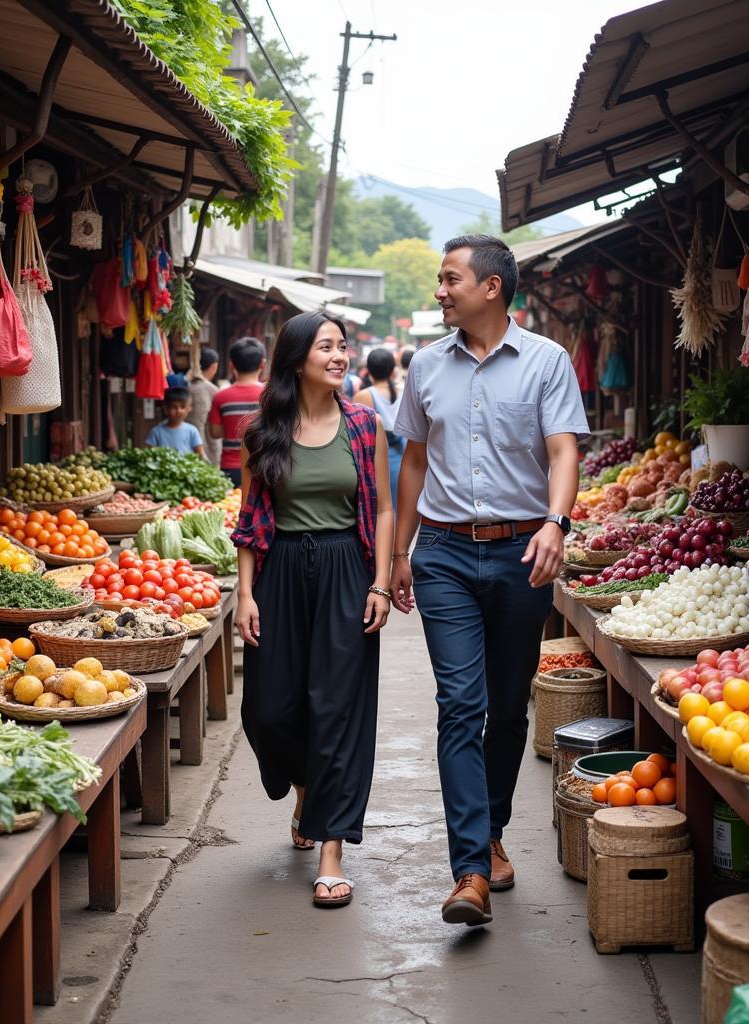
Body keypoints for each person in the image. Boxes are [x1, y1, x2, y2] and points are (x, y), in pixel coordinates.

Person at [391, 234, 588, 927]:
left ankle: (494, 831)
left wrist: (555, 524)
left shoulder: (546, 361)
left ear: (491, 288)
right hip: (444, 552)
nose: (440, 291)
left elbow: (564, 450)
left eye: (450, 280)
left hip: (520, 555)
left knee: (506, 709)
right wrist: (400, 552)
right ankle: (470, 869)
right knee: (458, 704)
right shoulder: (425, 366)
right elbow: (413, 461)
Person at [233, 310, 394, 910]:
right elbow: (250, 521)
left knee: (338, 710)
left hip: (345, 573)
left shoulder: (364, 425)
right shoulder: (263, 431)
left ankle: (331, 850)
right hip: (279, 575)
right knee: (269, 710)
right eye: (326, 346)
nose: (339, 355)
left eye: (343, 346)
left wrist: (379, 582)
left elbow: (379, 508)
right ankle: (305, 789)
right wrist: (245, 594)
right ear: (297, 358)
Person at [208, 336, 266, 488]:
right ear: (263, 364)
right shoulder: (270, 395)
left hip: (231, 467)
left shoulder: (220, 396)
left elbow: (215, 432)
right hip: (265, 464)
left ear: (231, 365)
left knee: (231, 507)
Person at [355, 348, 404, 512]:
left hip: (376, 460)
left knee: (379, 511)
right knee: (397, 510)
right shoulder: (403, 392)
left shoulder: (364, 396)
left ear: (369, 371)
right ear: (392, 370)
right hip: (403, 457)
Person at [145, 387, 205, 457]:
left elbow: (200, 454)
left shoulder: (192, 431)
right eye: (174, 407)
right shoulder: (156, 432)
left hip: (187, 467)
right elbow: (149, 454)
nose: (178, 411)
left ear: (189, 408)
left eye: (182, 407)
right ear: (165, 408)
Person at [188, 346, 221, 467]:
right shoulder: (214, 391)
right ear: (214, 366)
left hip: (187, 448)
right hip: (208, 447)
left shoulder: (186, 385)